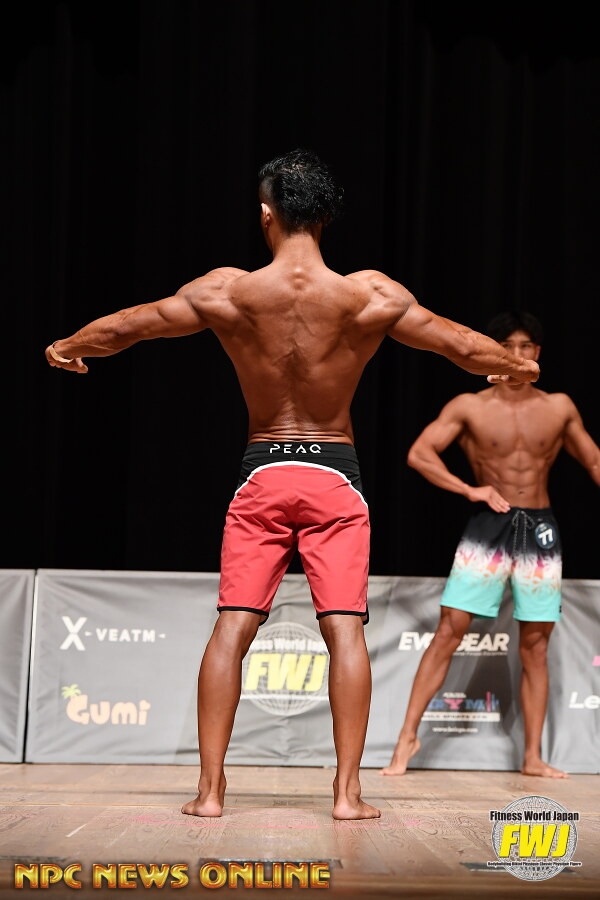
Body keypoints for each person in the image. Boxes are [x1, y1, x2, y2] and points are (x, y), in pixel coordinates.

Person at [45, 151, 538, 819]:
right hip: (335, 476)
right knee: (345, 633)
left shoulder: (228, 291)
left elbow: (134, 324)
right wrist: (512, 367)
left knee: (232, 627)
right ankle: (347, 795)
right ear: (327, 217)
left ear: (265, 214)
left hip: (264, 473)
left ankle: (210, 793)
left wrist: (70, 345)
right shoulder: (370, 295)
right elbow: (458, 343)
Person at [381, 310, 600, 780]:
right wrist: (469, 489)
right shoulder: (469, 406)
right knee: (449, 630)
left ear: (537, 353)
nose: (517, 354)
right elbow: (419, 453)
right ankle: (406, 740)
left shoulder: (559, 406)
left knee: (535, 646)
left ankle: (532, 757)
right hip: (489, 526)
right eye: (507, 346)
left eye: (526, 346)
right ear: (493, 352)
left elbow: (594, 461)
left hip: (539, 530)